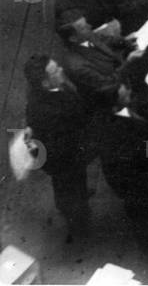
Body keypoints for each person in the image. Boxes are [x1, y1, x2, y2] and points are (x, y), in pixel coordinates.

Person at [23, 54, 92, 239]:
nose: (61, 69)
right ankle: (77, 224)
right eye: (55, 70)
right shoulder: (51, 110)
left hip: (65, 153)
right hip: (64, 158)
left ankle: (75, 204)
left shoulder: (44, 91)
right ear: (45, 83)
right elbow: (74, 121)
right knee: (69, 188)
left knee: (71, 185)